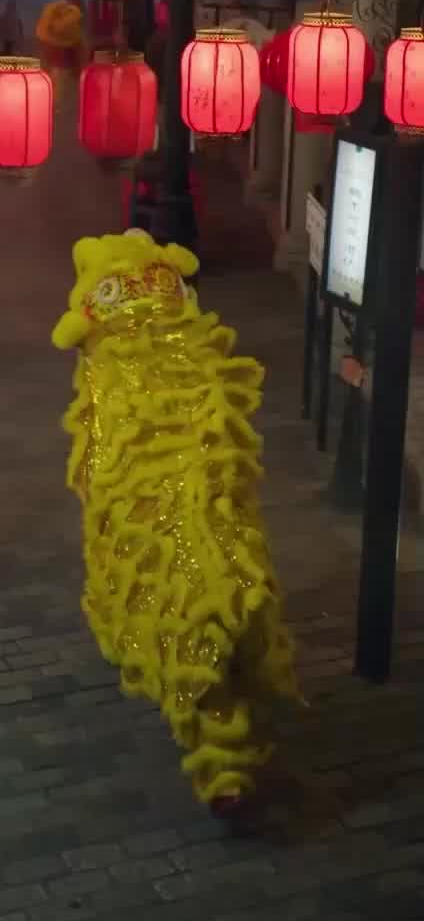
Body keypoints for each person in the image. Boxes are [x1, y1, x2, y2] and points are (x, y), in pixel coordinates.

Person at [52, 229, 300, 820]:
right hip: (198, 504)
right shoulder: (192, 361)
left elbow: (96, 459)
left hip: (161, 506)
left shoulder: (109, 366)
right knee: (214, 594)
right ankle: (227, 741)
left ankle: (223, 752)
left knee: (183, 608)